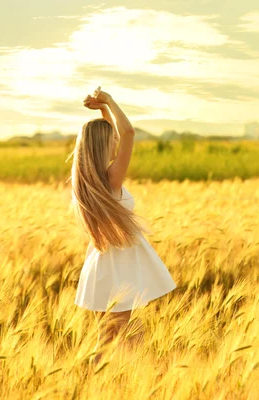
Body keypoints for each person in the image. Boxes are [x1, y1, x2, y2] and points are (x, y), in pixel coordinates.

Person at [66, 87, 177, 364]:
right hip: (119, 268)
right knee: (124, 340)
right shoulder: (111, 180)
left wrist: (104, 111)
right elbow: (128, 133)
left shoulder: (89, 182)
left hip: (102, 265)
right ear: (106, 145)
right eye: (111, 138)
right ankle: (104, 384)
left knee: (111, 340)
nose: (117, 139)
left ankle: (99, 384)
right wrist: (110, 101)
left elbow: (117, 133)